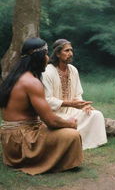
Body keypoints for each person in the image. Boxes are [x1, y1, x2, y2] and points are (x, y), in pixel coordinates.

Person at [0, 37, 83, 175]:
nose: (47, 58)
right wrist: (69, 123)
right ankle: (45, 162)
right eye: (45, 54)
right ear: (37, 57)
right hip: (22, 139)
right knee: (72, 135)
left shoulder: (17, 76)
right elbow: (50, 120)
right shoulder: (32, 82)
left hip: (12, 138)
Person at [42, 39, 107, 150]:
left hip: (73, 111)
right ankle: (73, 140)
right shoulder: (47, 71)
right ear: (57, 53)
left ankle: (89, 142)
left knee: (96, 115)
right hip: (55, 114)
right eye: (66, 51)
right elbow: (47, 100)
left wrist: (84, 105)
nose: (70, 53)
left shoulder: (73, 70)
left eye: (71, 50)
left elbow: (77, 94)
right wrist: (70, 103)